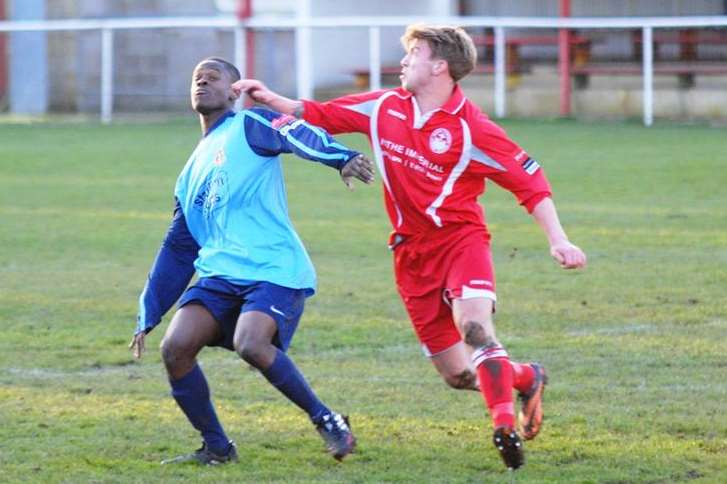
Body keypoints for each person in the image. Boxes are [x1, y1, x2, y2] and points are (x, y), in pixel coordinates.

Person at [233, 24, 586, 470]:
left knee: (474, 327)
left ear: (440, 66)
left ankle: (504, 427)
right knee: (458, 375)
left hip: (461, 240)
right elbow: (319, 114)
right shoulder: (383, 107)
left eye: (413, 53)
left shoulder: (472, 128)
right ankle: (525, 376)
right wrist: (270, 98)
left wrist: (559, 239)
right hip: (410, 254)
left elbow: (530, 182)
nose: (403, 61)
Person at [129, 57, 375, 465]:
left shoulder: (249, 124)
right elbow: (179, 246)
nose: (203, 80)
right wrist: (148, 311)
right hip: (220, 272)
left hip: (274, 268)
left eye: (214, 76)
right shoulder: (190, 172)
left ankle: (327, 420)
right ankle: (217, 448)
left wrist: (339, 157)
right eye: (196, 77)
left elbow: (296, 133)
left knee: (251, 343)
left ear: (234, 91)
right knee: (175, 348)